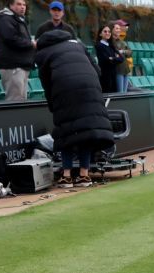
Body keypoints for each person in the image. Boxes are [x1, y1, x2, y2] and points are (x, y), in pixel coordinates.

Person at [34, 28, 114, 188]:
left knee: (66, 132)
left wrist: (53, 105)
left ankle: (66, 176)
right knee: (85, 132)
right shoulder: (77, 44)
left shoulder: (43, 53)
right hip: (91, 87)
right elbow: (97, 70)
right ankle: (84, 175)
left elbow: (46, 83)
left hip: (65, 89)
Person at [0, 0, 34, 101]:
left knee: (21, 100)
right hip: (13, 66)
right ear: (11, 5)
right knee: (14, 100)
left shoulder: (18, 19)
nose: (22, 7)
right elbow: (11, 39)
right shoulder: (6, 19)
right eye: (19, 4)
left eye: (24, 4)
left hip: (21, 65)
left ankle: (20, 118)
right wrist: (31, 43)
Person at [95, 24, 123, 93]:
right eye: (105, 31)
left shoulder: (111, 45)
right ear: (100, 34)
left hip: (113, 75)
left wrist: (112, 58)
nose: (107, 33)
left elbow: (121, 58)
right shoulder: (99, 46)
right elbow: (106, 60)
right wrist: (115, 58)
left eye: (109, 31)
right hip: (105, 76)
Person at [113, 19, 132, 93]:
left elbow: (130, 52)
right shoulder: (111, 42)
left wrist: (123, 51)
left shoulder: (123, 42)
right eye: (117, 28)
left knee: (125, 93)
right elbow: (115, 54)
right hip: (118, 70)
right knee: (120, 93)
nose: (119, 30)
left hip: (126, 70)